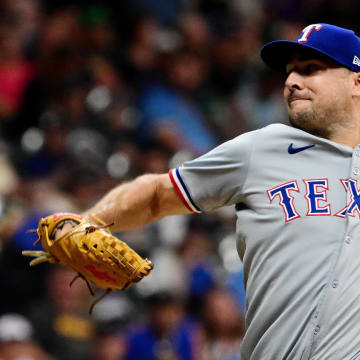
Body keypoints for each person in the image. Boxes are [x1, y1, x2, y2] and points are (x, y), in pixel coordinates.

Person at [55, 23, 360, 359]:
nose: (291, 81)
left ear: (356, 82)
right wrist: (90, 221)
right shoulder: (262, 149)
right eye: (289, 72)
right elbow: (158, 192)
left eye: (310, 69)